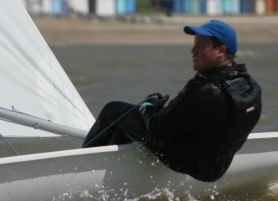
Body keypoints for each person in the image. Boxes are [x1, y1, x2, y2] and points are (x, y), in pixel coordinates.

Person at [82, 20, 262, 182]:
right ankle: (118, 165)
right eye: (194, 45)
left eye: (200, 46)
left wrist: (149, 106)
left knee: (113, 111)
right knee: (137, 122)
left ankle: (82, 169)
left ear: (221, 51)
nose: (193, 51)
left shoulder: (206, 89)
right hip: (217, 166)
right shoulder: (250, 86)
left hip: (189, 163)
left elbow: (156, 128)